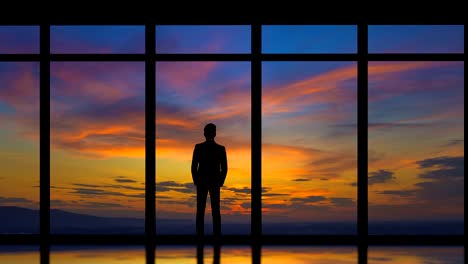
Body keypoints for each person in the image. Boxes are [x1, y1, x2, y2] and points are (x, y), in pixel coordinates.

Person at [191, 123, 228, 242]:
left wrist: (197, 181)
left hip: (203, 182)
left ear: (204, 133)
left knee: (200, 210)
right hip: (214, 183)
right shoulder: (220, 149)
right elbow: (225, 168)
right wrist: (220, 182)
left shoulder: (199, 147)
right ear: (215, 133)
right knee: (215, 210)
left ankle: (199, 235)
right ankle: (217, 235)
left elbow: (193, 167)